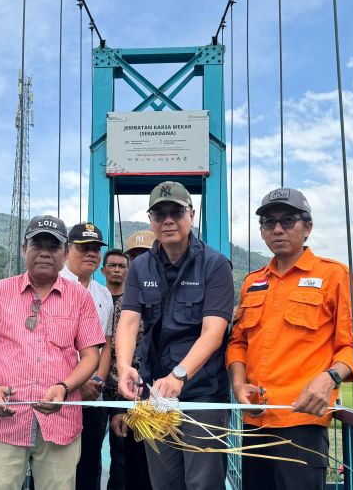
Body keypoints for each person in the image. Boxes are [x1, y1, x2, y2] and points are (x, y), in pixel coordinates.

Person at [226, 188, 353, 490]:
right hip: (254, 420)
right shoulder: (253, 282)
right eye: (268, 222)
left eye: (288, 220)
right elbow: (238, 342)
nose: (277, 229)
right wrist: (238, 384)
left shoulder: (336, 277)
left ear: (307, 228)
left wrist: (330, 377)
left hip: (302, 421)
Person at [0, 215, 105, 490]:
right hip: (5, 422)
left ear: (64, 255)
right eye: (37, 244)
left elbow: (91, 356)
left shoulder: (80, 297)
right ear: (24, 249)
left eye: (53, 247)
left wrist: (65, 386)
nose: (45, 253)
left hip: (60, 423)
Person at [116, 181, 234, 490]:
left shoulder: (215, 265)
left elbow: (213, 332)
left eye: (176, 212)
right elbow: (129, 321)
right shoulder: (140, 267)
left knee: (203, 483)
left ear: (191, 216)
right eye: (159, 214)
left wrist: (180, 375)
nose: (168, 220)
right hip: (156, 391)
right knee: (164, 482)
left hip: (202, 393)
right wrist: (125, 366)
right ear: (151, 220)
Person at [61, 222, 114, 490]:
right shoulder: (53, 287)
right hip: (60, 395)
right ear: (68, 250)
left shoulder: (104, 294)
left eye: (95, 248)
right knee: (55, 467)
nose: (91, 253)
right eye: (83, 247)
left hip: (93, 396)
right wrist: (76, 384)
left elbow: (106, 343)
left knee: (90, 463)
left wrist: (96, 382)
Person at [102, 239, 153, 490]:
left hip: (140, 389)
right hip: (107, 387)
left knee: (133, 453)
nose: (118, 270)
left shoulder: (149, 300)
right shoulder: (103, 300)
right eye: (112, 265)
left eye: (123, 265)